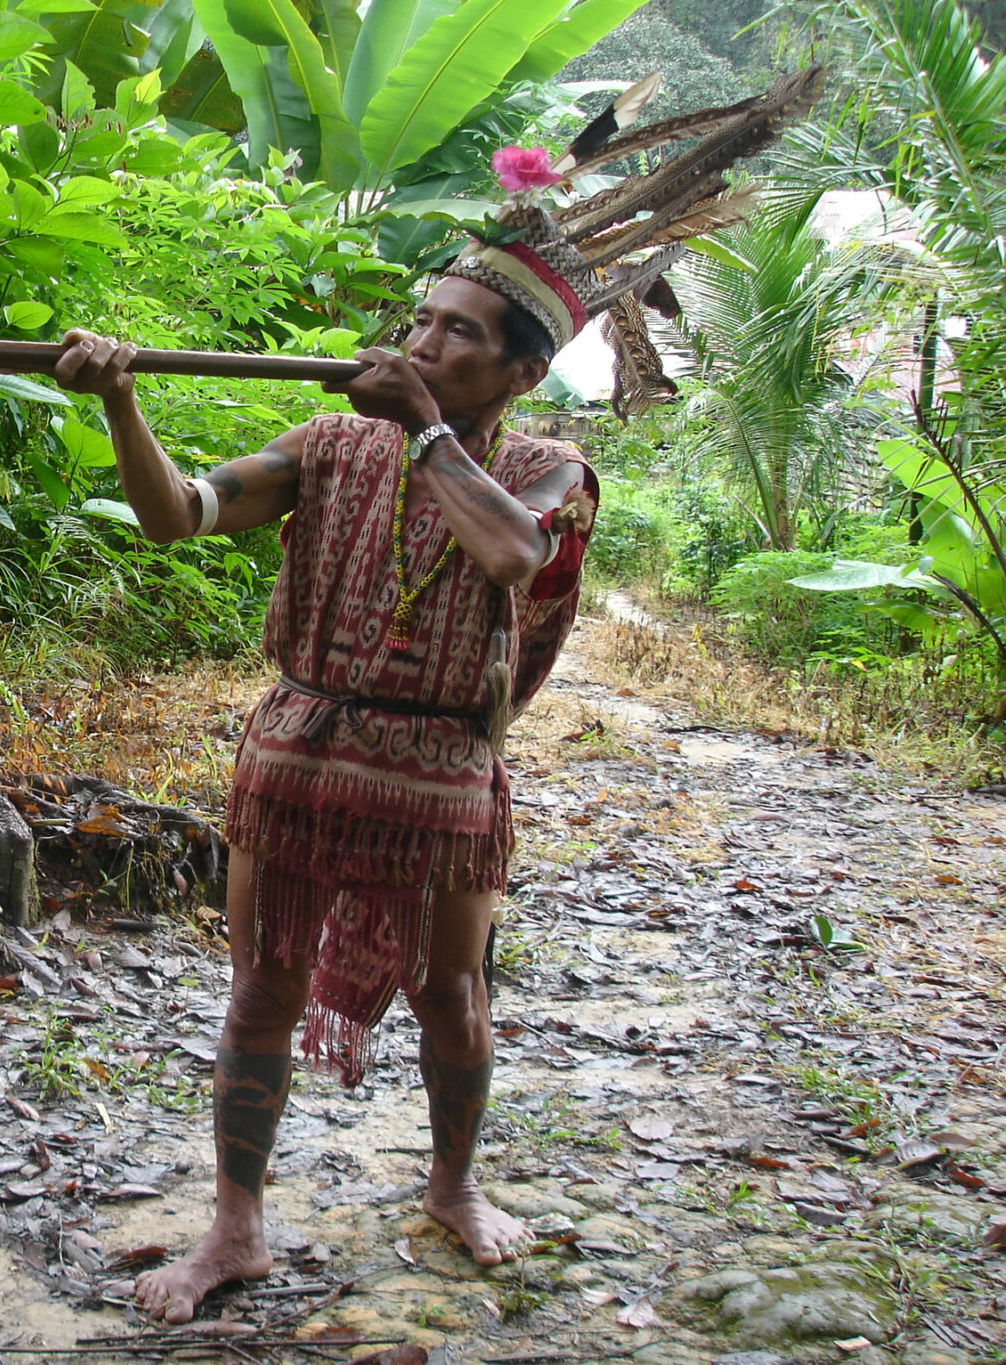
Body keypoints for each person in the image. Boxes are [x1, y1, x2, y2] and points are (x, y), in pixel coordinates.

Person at [47, 69, 827, 1324]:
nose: (421, 343)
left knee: (450, 992)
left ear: (518, 371)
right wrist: (123, 401)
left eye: (458, 333)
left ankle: (452, 1190)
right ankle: (233, 1225)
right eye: (422, 320)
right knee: (259, 986)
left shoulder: (546, 467)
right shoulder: (323, 444)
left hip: (440, 778)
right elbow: (175, 517)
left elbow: (513, 553)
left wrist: (421, 431)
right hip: (296, 750)